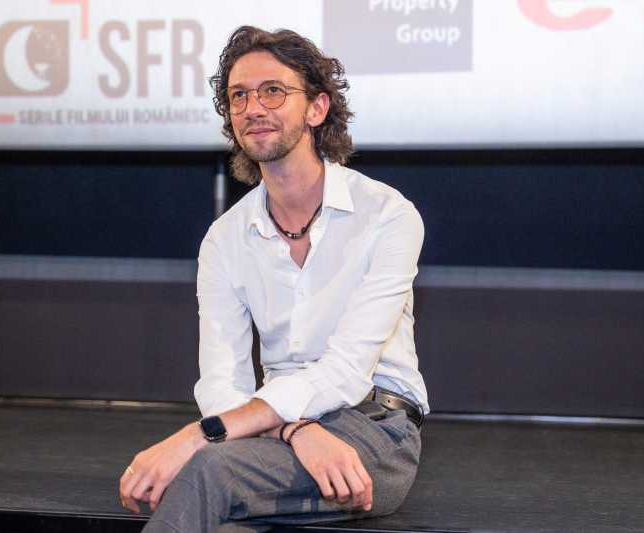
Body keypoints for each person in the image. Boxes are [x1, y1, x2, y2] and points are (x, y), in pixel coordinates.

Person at [119, 25, 429, 532]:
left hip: (375, 429)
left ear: (317, 108)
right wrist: (295, 431)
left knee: (208, 469)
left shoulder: (387, 215)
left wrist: (199, 434)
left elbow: (347, 371)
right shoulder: (224, 239)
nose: (253, 108)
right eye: (238, 96)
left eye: (273, 91)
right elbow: (222, 381)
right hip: (275, 431)